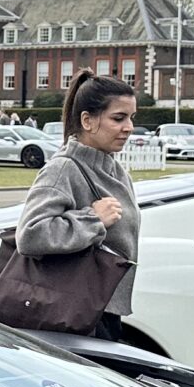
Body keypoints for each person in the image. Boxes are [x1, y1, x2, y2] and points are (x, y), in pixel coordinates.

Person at [12, 70, 141, 339]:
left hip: (101, 309)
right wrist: (92, 219)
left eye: (131, 118)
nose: (128, 127)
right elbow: (30, 235)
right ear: (87, 120)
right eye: (118, 118)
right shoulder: (64, 169)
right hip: (73, 312)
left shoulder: (116, 171)